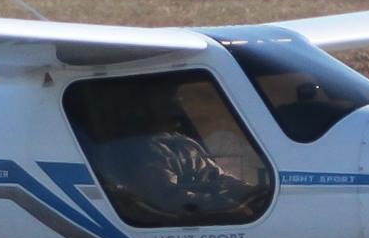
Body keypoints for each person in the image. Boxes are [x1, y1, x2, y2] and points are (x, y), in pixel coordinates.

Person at [96, 87, 271, 226]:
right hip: (171, 223)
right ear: (144, 109)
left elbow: (213, 176)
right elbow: (165, 198)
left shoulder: (182, 143)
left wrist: (249, 191)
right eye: (167, 102)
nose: (177, 104)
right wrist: (224, 206)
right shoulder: (141, 150)